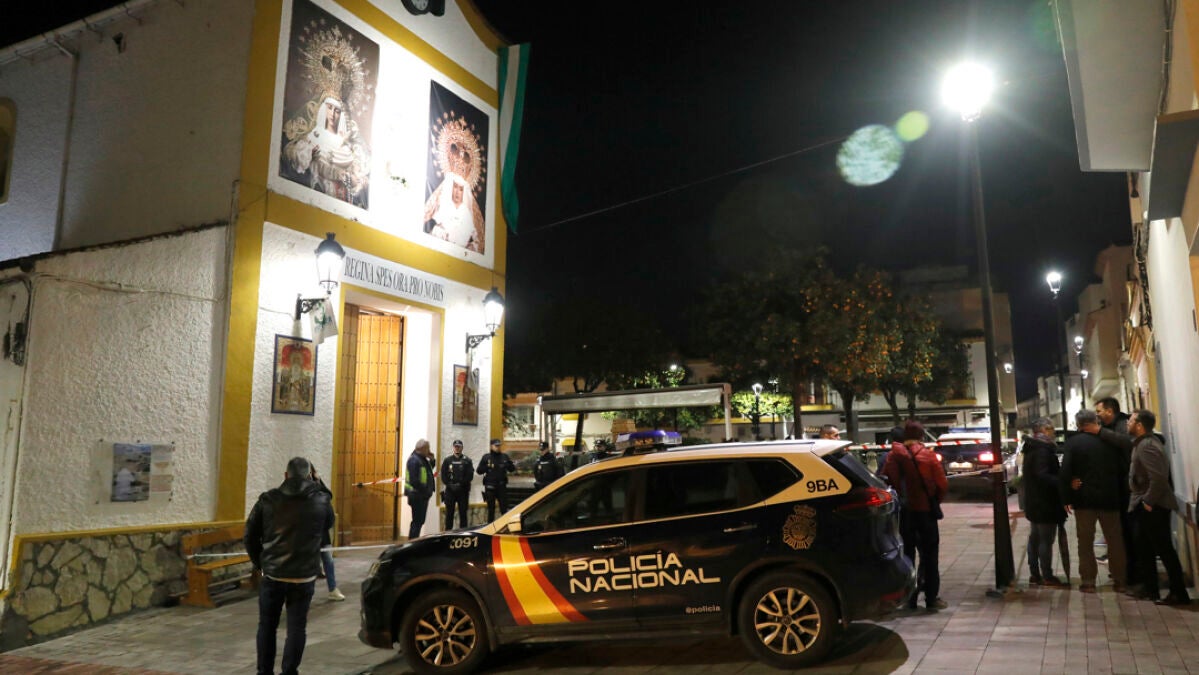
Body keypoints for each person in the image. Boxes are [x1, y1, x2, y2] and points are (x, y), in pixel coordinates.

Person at [245, 456, 333, 675]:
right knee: (296, 628)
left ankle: (264, 672)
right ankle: (290, 671)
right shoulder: (321, 500)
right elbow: (328, 523)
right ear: (309, 476)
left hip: (273, 574)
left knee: (267, 626)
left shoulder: (268, 499)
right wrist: (319, 483)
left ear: (286, 475)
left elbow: (249, 536)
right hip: (304, 576)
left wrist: (260, 564)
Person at [881, 420, 949, 611]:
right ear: (921, 436)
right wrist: (933, 500)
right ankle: (931, 598)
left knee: (906, 555)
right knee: (930, 556)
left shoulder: (893, 456)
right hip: (925, 513)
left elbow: (888, 481)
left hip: (904, 513)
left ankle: (909, 600)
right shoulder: (928, 456)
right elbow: (942, 484)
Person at [1126, 410, 1190, 605]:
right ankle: (1151, 589)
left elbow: (1159, 478)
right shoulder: (1141, 444)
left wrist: (1147, 502)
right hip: (1147, 503)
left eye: (1131, 420)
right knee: (1144, 548)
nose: (1127, 423)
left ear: (1139, 425)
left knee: (1163, 549)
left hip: (1154, 506)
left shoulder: (1147, 445)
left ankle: (1178, 592)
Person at [1060, 409, 1127, 593]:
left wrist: (1067, 495)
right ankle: (1120, 579)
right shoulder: (1109, 440)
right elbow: (1122, 467)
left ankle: (1088, 581)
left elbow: (1065, 470)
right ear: (1095, 421)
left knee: (1085, 541)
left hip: (1084, 498)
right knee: (1115, 540)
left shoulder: (1074, 443)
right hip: (1110, 497)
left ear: (1078, 424)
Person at [1092, 397, 1137, 586]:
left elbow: (1127, 442)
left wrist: (1100, 432)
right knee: (1122, 532)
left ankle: (1134, 574)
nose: (1097, 415)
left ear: (1110, 411)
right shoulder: (1109, 427)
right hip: (1118, 488)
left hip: (1129, 489)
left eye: (1099, 411)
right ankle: (1126, 571)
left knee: (1130, 532)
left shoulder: (1121, 425)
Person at [1022, 418, 1068, 587]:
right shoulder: (1042, 450)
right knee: (1045, 540)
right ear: (1043, 430)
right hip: (1045, 502)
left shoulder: (1032, 447)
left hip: (1034, 501)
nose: (1053, 431)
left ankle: (1035, 574)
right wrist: (1061, 481)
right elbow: (1042, 475)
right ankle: (1047, 575)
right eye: (1051, 428)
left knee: (1035, 538)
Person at [308, 467, 344, 601]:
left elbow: (329, 499)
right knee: (312, 564)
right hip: (311, 536)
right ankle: (308, 593)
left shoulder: (321, 491)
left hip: (322, 535)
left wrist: (318, 481)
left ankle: (332, 589)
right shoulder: (306, 492)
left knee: (328, 561)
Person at [404, 439, 436, 540]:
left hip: (421, 495)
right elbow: (414, 480)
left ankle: (413, 541)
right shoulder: (414, 460)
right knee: (417, 521)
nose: (429, 450)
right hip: (417, 495)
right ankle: (412, 543)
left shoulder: (421, 459)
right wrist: (425, 490)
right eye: (427, 448)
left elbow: (428, 470)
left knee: (419, 521)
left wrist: (432, 460)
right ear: (422, 449)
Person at [476, 438, 515, 521]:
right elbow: (479, 471)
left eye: (499, 445)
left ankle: (504, 526)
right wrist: (486, 467)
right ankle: (490, 526)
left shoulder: (504, 457)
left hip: (501, 487)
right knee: (491, 510)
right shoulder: (486, 457)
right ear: (491, 446)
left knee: (504, 509)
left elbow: (512, 469)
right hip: (490, 487)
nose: (498, 447)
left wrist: (508, 464)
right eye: (496, 446)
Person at [441, 439, 474, 530]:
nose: (457, 448)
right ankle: (448, 534)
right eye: (456, 447)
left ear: (462, 448)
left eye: (459, 447)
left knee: (463, 514)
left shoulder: (467, 461)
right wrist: (450, 485)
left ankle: (463, 534)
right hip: (450, 491)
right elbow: (443, 475)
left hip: (463, 491)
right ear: (453, 447)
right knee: (449, 514)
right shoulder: (447, 460)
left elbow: (470, 476)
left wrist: (460, 485)